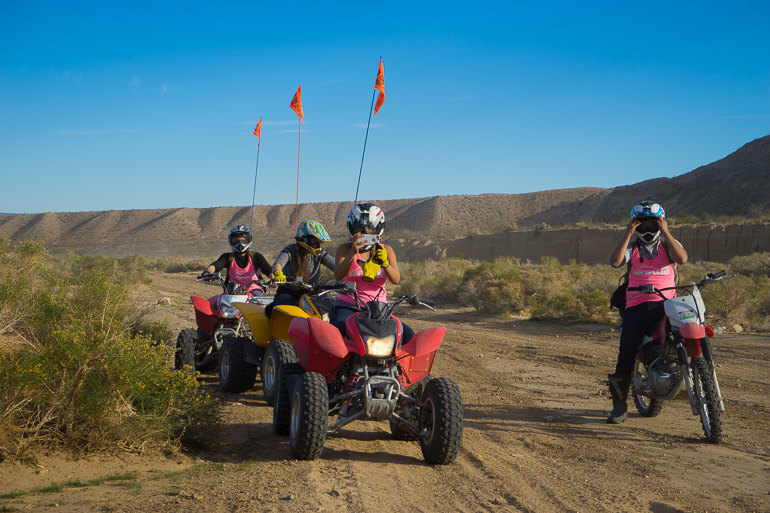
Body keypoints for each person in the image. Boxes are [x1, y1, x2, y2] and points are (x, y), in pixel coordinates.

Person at [606, 200, 688, 424]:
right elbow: (615, 262)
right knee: (626, 353)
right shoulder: (632, 248)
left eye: (653, 223)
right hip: (637, 306)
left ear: (661, 222)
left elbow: (682, 259)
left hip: (667, 305)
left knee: (683, 336)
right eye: (643, 224)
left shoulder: (669, 246)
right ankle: (619, 407)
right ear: (636, 224)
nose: (648, 229)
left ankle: (685, 377)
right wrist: (627, 233)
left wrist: (667, 232)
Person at [329, 202, 414, 342]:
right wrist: (352, 252)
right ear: (351, 228)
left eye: (369, 228)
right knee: (336, 336)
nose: (364, 233)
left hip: (379, 309)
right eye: (359, 228)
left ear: (378, 229)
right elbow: (339, 275)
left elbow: (396, 280)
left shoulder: (386, 250)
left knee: (408, 336)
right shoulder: (344, 249)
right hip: (348, 306)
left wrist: (385, 263)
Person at [267, 220, 336, 314]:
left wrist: (348, 273)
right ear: (305, 238)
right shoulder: (291, 250)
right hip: (289, 291)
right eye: (314, 240)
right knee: (284, 309)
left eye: (319, 241)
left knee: (331, 307)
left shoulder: (319, 253)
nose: (317, 244)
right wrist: (278, 274)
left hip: (311, 293)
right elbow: (278, 264)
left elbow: (335, 266)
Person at [202, 225, 274, 295]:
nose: (240, 243)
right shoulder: (227, 257)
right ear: (231, 241)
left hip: (254, 290)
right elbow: (216, 265)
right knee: (216, 304)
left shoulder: (256, 256)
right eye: (236, 240)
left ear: (248, 240)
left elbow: (267, 269)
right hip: (233, 291)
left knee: (260, 303)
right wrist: (207, 272)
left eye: (243, 240)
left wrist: (273, 279)